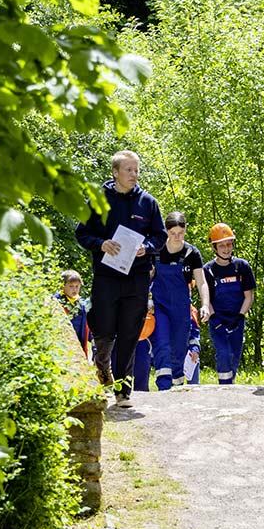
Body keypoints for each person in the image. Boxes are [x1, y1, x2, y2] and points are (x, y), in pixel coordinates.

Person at [75, 150, 165, 407]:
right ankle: (102, 367)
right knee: (104, 328)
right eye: (129, 170)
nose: (134, 175)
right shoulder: (97, 201)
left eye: (136, 170)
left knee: (129, 332)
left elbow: (159, 236)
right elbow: (81, 234)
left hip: (136, 277)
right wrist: (101, 244)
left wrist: (146, 247)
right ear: (115, 172)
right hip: (106, 277)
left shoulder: (148, 202)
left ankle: (123, 391)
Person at [152, 211, 210, 390]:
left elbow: (201, 282)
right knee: (162, 345)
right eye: (172, 233)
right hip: (159, 305)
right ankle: (163, 388)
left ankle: (177, 387)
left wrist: (205, 305)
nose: (177, 237)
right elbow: (146, 277)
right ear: (166, 231)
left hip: (181, 308)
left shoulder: (192, 253)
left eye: (180, 233)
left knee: (179, 348)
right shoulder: (156, 249)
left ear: (185, 230)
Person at [203, 223, 255, 385]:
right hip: (218, 321)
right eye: (222, 245)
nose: (226, 249)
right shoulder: (208, 270)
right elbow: (207, 299)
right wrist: (215, 320)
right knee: (223, 353)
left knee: (234, 355)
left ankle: (230, 386)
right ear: (214, 247)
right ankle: (224, 387)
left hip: (237, 321)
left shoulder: (242, 267)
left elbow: (249, 296)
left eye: (229, 244)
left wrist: (240, 317)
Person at [59, 269, 90, 356]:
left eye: (77, 286)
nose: (74, 289)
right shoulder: (57, 302)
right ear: (63, 286)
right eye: (71, 286)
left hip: (79, 340)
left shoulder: (82, 304)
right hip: (64, 340)